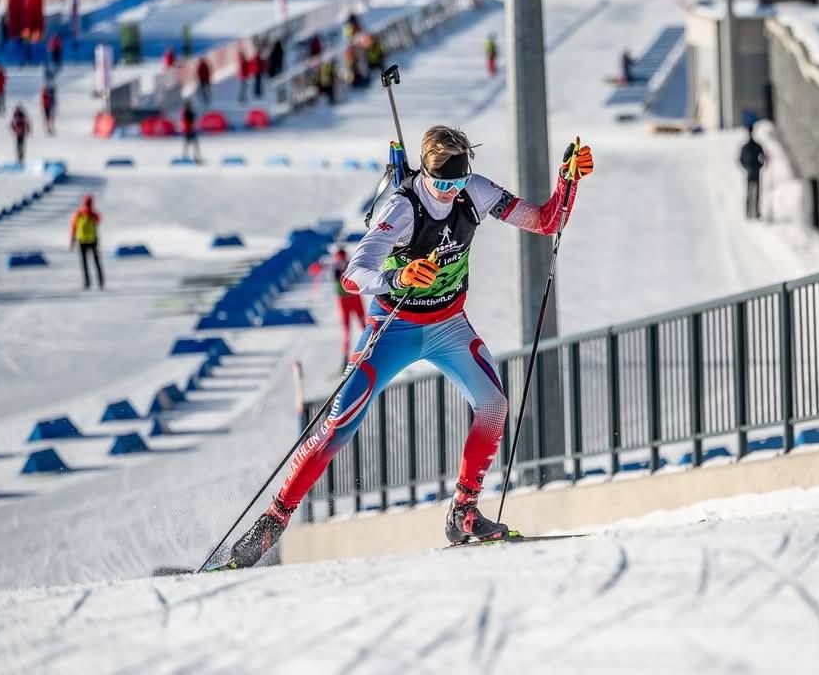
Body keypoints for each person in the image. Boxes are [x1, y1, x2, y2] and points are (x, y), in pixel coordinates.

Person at [224, 126, 594, 567]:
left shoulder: (474, 191)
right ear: (425, 173)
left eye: (456, 183)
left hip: (448, 324)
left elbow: (545, 221)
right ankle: (271, 523)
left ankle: (464, 511)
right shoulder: (401, 206)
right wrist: (397, 278)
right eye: (440, 184)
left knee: (494, 405)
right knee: (337, 426)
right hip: (392, 326)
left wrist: (567, 180)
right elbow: (353, 276)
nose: (448, 193)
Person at [332, 248, 365, 372]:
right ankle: (347, 360)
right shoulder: (347, 263)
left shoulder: (338, 265)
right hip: (351, 298)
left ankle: (345, 361)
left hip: (346, 300)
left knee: (349, 330)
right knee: (361, 327)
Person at [69, 194, 104, 290]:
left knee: (84, 263)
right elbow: (99, 220)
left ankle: (87, 283)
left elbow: (73, 227)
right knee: (96, 262)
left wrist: (72, 241)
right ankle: (100, 282)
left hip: (81, 241)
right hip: (93, 240)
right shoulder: (93, 214)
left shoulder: (79, 214)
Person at [739, 126, 766, 219]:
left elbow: (763, 157)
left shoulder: (750, 146)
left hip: (752, 171)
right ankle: (752, 212)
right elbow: (741, 159)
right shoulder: (751, 146)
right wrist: (758, 166)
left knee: (752, 193)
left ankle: (752, 212)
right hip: (753, 171)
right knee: (752, 193)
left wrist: (748, 167)